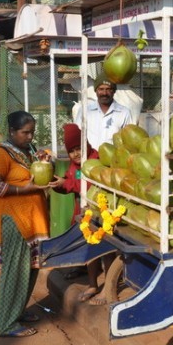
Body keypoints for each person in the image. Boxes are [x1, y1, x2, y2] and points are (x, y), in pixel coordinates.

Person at [0, 111, 58, 338]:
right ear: (11, 131)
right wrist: (21, 190)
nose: (30, 136)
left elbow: (35, 174)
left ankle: (18, 312)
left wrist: (43, 161)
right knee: (15, 271)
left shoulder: (27, 150)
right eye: (25, 132)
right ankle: (6, 324)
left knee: (29, 269)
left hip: (32, 220)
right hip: (15, 221)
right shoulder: (0, 154)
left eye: (32, 132)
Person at [51, 123, 110, 304]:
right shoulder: (73, 166)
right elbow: (71, 184)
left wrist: (66, 184)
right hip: (84, 213)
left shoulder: (95, 160)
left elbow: (90, 185)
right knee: (89, 251)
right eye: (72, 151)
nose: (76, 154)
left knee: (106, 251)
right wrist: (59, 185)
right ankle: (92, 285)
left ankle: (107, 288)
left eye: (79, 148)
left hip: (102, 213)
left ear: (86, 145)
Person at [74, 78, 133, 150]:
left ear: (114, 91)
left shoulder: (124, 112)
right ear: (96, 91)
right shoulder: (85, 110)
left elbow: (128, 139)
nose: (104, 93)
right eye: (101, 89)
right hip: (90, 157)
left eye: (108, 89)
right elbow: (76, 135)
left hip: (113, 158)